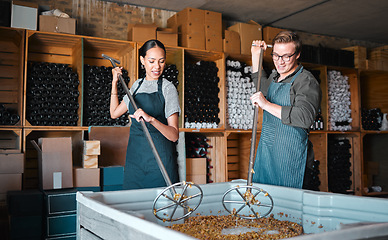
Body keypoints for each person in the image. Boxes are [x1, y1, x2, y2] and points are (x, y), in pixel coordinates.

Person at [250, 31, 322, 189]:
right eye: (276, 55)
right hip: (267, 156)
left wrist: (266, 105)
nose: (280, 62)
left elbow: (304, 117)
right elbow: (261, 89)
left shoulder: (306, 81)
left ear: (297, 55)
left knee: (289, 211)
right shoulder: (276, 76)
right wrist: (256, 56)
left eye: (286, 56)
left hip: (291, 160)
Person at [110, 39, 180, 190]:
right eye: (152, 61)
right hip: (135, 161)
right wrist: (114, 82)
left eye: (161, 61)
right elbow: (114, 113)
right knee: (133, 207)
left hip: (159, 162)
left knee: (161, 209)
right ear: (142, 60)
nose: (157, 66)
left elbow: (174, 135)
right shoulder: (136, 86)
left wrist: (151, 119)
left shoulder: (168, 89)